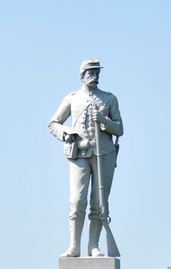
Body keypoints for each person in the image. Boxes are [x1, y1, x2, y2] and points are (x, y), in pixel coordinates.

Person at [48, 58, 123, 257]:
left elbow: (119, 129)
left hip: (104, 154)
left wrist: (104, 121)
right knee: (77, 201)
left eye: (97, 72)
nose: (94, 76)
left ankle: (93, 245)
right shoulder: (72, 98)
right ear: (82, 75)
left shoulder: (109, 99)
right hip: (80, 153)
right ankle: (74, 246)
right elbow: (53, 123)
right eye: (90, 72)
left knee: (99, 203)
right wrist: (67, 133)